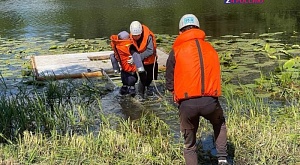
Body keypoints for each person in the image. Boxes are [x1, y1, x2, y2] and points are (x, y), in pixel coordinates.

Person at [165, 14, 229, 165]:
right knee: (219, 123)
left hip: (187, 105)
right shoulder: (210, 48)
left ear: (180, 32)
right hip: (210, 102)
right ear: (198, 29)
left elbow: (169, 81)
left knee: (190, 146)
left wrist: (173, 92)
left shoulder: (176, 51)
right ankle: (222, 158)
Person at [128, 21, 158, 100]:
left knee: (150, 77)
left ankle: (148, 87)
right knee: (142, 77)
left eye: (138, 35)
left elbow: (150, 50)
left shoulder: (148, 37)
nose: (136, 37)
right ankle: (140, 95)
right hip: (140, 62)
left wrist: (137, 58)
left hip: (150, 60)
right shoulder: (130, 37)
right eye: (134, 36)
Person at [110, 31, 144, 96]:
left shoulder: (130, 46)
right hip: (124, 69)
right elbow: (113, 56)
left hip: (130, 70)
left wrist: (139, 67)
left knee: (131, 81)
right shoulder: (118, 46)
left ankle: (131, 89)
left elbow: (136, 55)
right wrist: (116, 67)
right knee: (125, 80)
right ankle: (125, 87)